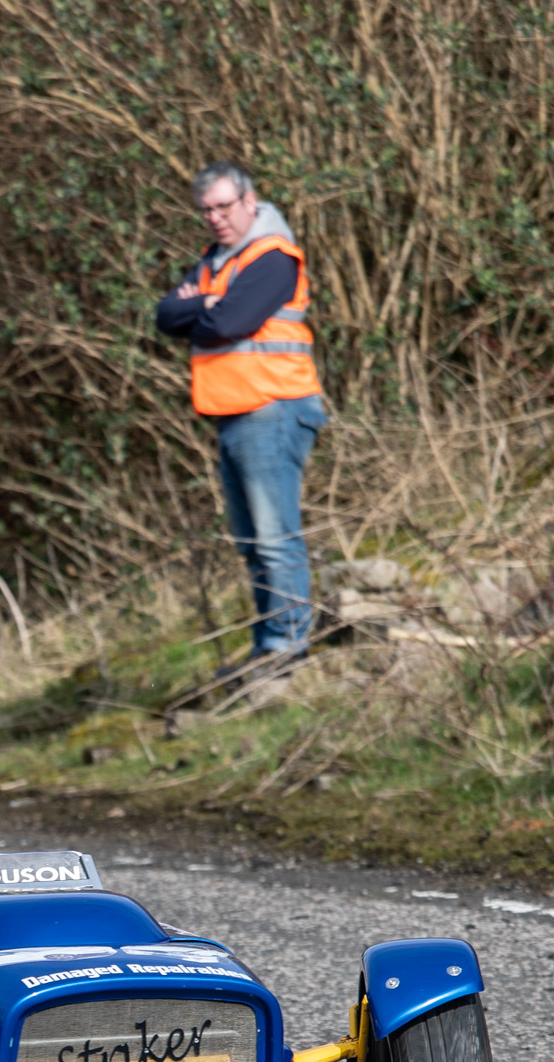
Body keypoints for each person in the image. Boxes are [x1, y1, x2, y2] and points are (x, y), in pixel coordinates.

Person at [155, 161, 328, 677]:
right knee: (251, 538)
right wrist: (208, 303)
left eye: (224, 207)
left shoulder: (272, 258)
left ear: (250, 202)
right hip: (233, 411)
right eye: (206, 210)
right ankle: (270, 642)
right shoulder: (216, 263)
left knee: (275, 535)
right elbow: (165, 315)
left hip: (272, 407)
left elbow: (230, 322)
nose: (214, 218)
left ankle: (289, 644)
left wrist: (204, 309)